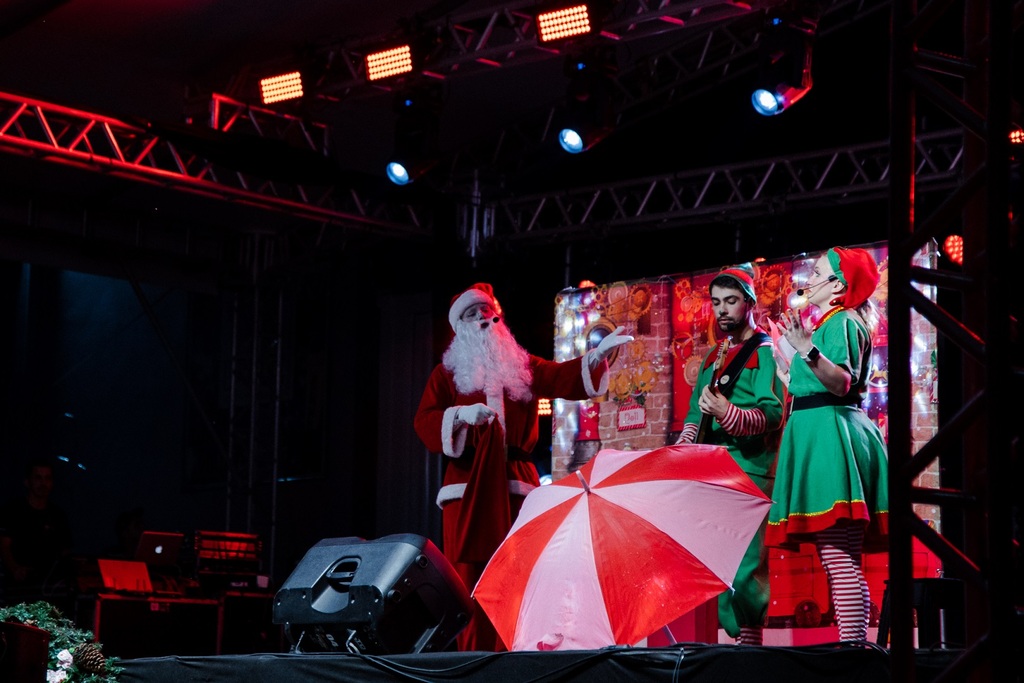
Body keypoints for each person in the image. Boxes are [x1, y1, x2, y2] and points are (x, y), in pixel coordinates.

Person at [414, 282, 633, 651]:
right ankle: (472, 659)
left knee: (520, 572)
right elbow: (423, 422)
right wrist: (461, 416)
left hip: (516, 484)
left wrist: (595, 357)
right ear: (459, 327)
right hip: (466, 489)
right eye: (472, 313)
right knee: (472, 578)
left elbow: (560, 376)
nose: (483, 319)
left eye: (486, 311)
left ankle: (515, 654)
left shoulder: (521, 364)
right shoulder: (446, 375)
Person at [768, 246, 889, 642]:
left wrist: (806, 349)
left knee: (839, 558)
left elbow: (840, 382)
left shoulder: (841, 323)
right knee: (839, 557)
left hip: (829, 434)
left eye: (818, 271)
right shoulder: (830, 324)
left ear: (837, 284)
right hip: (821, 429)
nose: (809, 279)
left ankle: (853, 651)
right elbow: (813, 381)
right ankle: (853, 648)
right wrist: (788, 362)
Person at [674, 263, 786, 646]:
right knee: (717, 570)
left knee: (744, 572)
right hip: (713, 473)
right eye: (717, 302)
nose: (723, 310)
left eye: (732, 301)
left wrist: (729, 414)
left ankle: (750, 652)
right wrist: (685, 447)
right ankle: (731, 657)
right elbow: (694, 416)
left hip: (752, 470)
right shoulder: (711, 358)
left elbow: (774, 414)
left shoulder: (765, 353)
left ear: (750, 303)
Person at [0, 457, 75, 603]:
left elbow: (65, 551)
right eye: (38, 478)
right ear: (27, 481)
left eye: (47, 478)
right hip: (19, 588)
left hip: (49, 589)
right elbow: (3, 545)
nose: (43, 483)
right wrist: (15, 568)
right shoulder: (13, 510)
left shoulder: (58, 515)